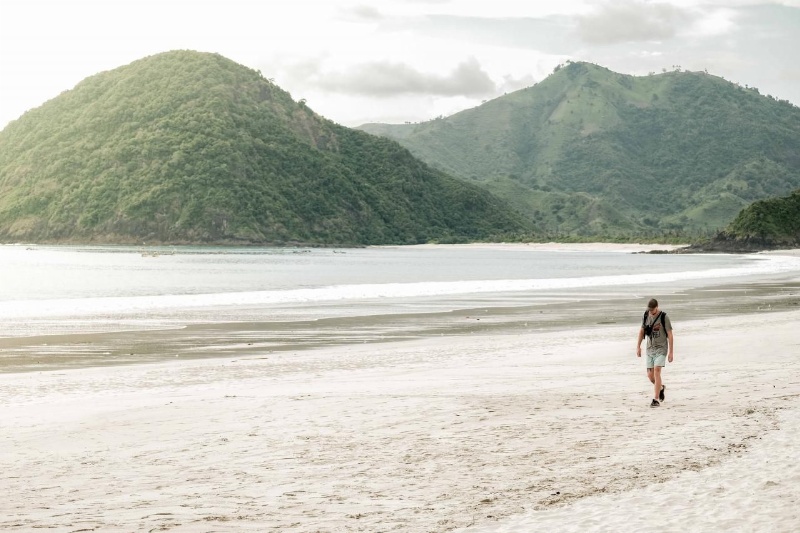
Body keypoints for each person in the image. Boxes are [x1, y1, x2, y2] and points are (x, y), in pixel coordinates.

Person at [636, 298, 674, 407]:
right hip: (650, 349)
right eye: (649, 310)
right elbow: (642, 331)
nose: (651, 312)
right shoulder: (646, 315)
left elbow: (670, 335)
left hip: (661, 348)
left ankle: (656, 399)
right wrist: (638, 346)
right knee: (650, 376)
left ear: (657, 307)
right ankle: (661, 387)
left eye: (652, 310)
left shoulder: (664, 317)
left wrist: (671, 352)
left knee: (657, 371)